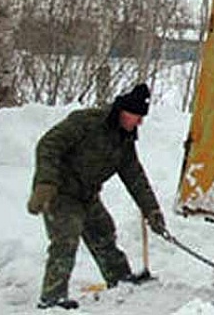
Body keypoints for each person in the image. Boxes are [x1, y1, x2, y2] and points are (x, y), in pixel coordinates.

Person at [27, 83, 167, 310]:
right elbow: (48, 144)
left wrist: (151, 211)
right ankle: (52, 297)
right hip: (60, 192)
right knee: (66, 239)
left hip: (87, 195)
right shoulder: (87, 122)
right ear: (122, 110)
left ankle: (120, 280)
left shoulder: (125, 140)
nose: (139, 122)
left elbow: (135, 177)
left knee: (104, 234)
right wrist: (46, 183)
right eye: (136, 116)